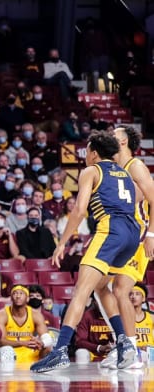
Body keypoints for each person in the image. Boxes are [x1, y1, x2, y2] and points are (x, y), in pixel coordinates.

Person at [30, 132, 141, 373]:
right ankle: (125, 344)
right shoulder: (126, 173)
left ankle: (59, 352)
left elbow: (80, 210)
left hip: (111, 230)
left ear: (93, 152)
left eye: (87, 151)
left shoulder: (91, 171)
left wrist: (61, 243)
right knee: (102, 288)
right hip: (132, 235)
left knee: (81, 290)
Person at [97, 125, 154, 369]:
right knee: (99, 286)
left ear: (124, 142)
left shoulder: (135, 166)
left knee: (121, 289)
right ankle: (124, 345)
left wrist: (151, 234)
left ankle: (134, 353)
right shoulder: (113, 169)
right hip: (119, 236)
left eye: (114, 134)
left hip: (138, 237)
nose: (109, 135)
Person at [0, 285, 51, 364]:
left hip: (29, 350)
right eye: (15, 293)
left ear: (27, 298)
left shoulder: (35, 314)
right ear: (11, 298)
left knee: (48, 348)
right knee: (6, 350)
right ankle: (7, 376)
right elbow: (0, 342)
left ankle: (42, 372)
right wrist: (22, 343)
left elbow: (47, 337)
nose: (18, 296)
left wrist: (41, 343)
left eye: (21, 293)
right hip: (8, 350)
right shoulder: (2, 314)